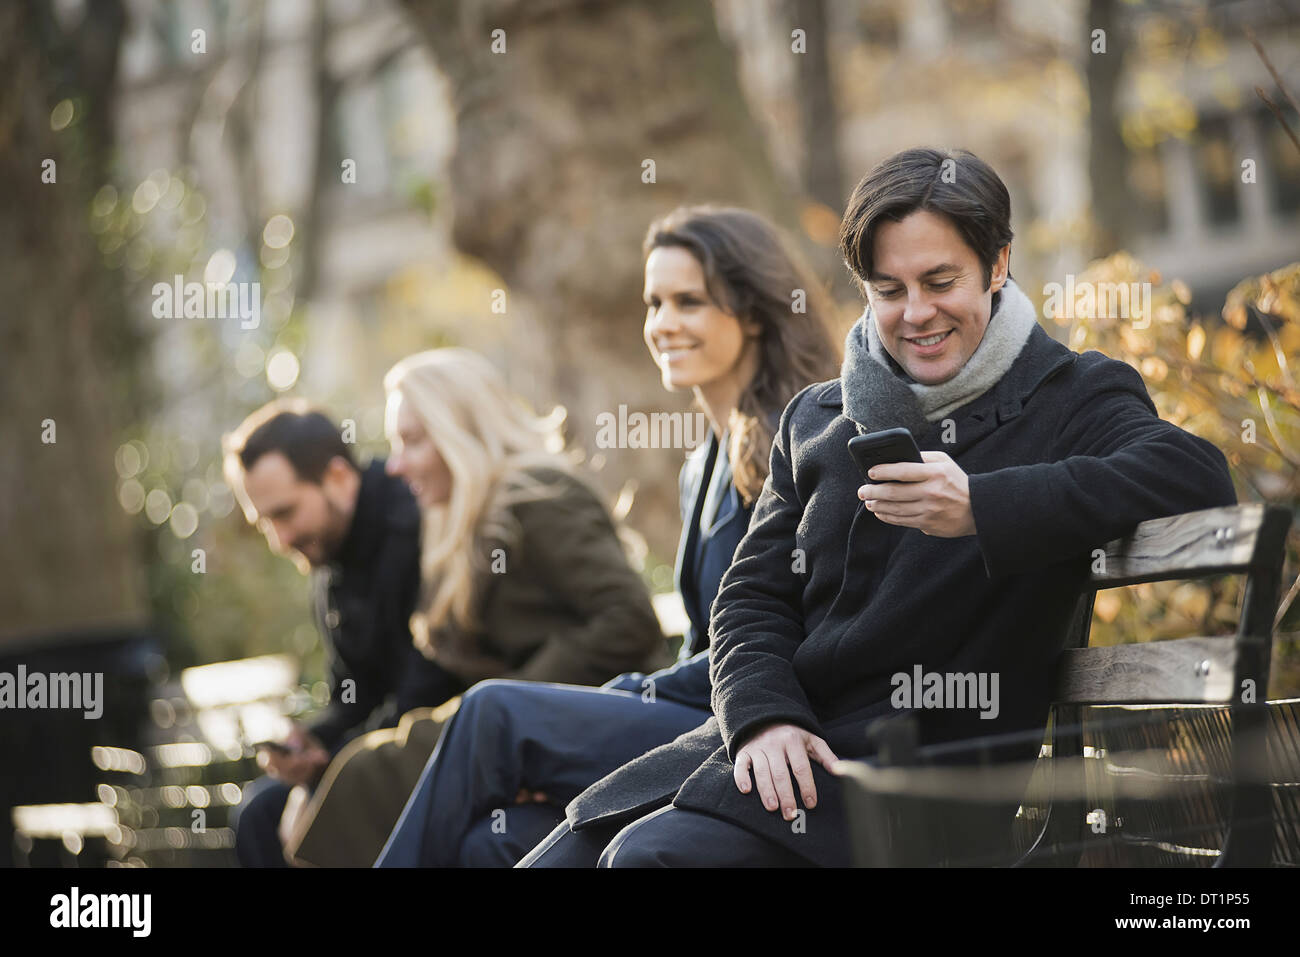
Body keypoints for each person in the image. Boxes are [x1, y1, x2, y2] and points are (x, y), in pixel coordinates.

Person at [518, 147, 1239, 867]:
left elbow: (1196, 476)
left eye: (940, 280)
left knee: (648, 857)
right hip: (778, 758)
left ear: (997, 265)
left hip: (919, 788)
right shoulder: (817, 418)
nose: (916, 313)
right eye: (888, 289)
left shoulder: (1070, 393)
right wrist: (763, 717)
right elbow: (750, 597)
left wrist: (982, 504)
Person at [375, 205, 841, 866]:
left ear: (755, 313)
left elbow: (789, 635)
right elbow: (702, 638)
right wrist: (624, 696)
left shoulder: (794, 444)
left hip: (745, 723)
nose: (663, 323)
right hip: (686, 709)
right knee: (493, 839)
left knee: (493, 714)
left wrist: (626, 696)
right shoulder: (703, 462)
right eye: (654, 302)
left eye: (689, 301)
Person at [276, 348, 669, 866]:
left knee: (371, 774)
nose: (394, 465)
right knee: (374, 767)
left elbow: (629, 620)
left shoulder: (539, 497)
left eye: (413, 441)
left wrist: (525, 707)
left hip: (605, 717)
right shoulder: (462, 521)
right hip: (523, 726)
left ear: (460, 431)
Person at [222, 401, 460, 867]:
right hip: (382, 745)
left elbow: (428, 689)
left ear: (337, 477)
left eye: (285, 513)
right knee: (258, 812)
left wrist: (328, 762)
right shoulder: (329, 566)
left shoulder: (414, 524)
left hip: (445, 741)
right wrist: (308, 743)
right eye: (266, 522)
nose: (279, 540)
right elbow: (351, 697)